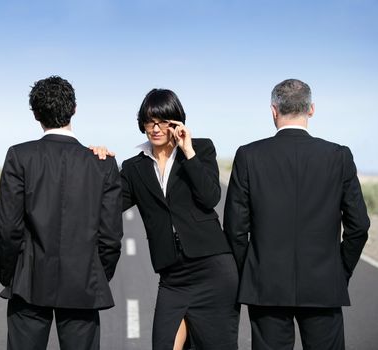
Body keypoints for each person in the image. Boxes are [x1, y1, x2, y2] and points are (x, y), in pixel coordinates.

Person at [224, 78, 370, 350]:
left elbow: (234, 229)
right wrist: (340, 270)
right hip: (324, 284)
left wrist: (252, 272)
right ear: (311, 109)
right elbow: (359, 226)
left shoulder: (248, 155)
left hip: (265, 285)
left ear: (273, 111)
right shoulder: (338, 156)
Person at [0, 76, 123, 350]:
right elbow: (111, 236)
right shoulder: (103, 164)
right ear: (74, 109)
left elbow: (9, 227)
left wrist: (10, 275)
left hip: (28, 281)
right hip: (83, 282)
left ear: (35, 114)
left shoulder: (19, 156)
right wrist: (97, 273)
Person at [119, 89, 239, 349]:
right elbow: (110, 204)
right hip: (173, 277)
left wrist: (189, 152)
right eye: (150, 121)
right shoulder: (133, 167)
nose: (156, 128)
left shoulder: (200, 148)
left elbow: (211, 197)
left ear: (177, 123)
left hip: (213, 270)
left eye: (163, 121)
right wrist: (99, 162)